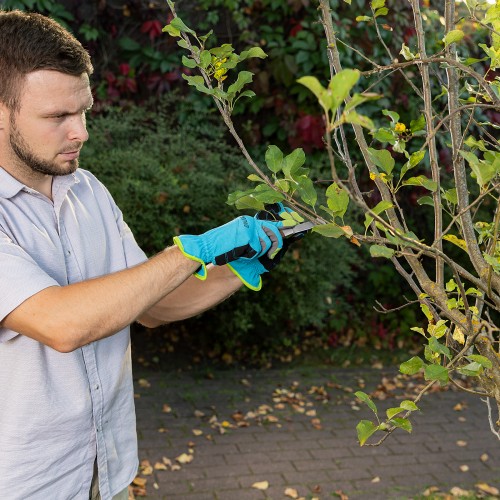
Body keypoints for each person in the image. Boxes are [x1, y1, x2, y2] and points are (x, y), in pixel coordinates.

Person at [0, 10, 289, 499]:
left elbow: (151, 305)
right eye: (57, 117)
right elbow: (62, 324)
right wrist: (192, 251)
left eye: (84, 110)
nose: (81, 132)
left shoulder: (87, 191)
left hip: (105, 473)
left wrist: (239, 266)